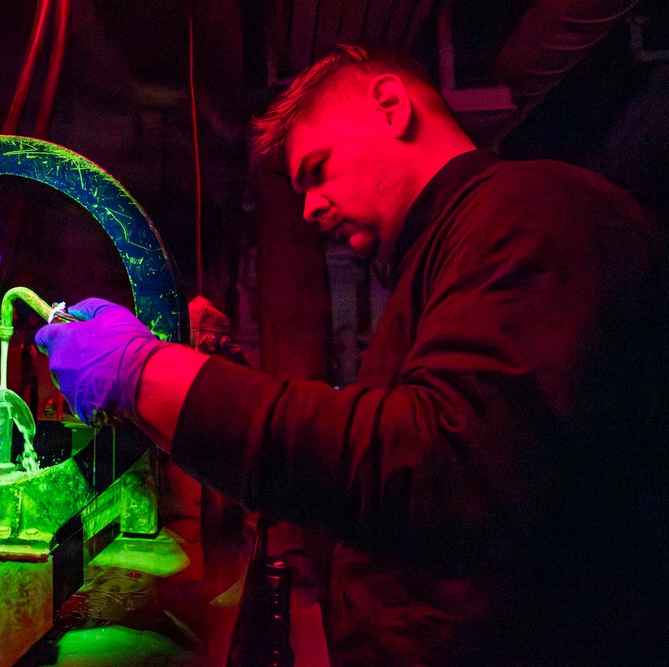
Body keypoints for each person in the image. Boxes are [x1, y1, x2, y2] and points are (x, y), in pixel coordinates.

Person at [36, 44, 669, 665]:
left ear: (391, 106)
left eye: (316, 168)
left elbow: (439, 467)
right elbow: (391, 446)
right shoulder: (451, 252)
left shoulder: (534, 209)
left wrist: (147, 372)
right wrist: (217, 375)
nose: (309, 208)